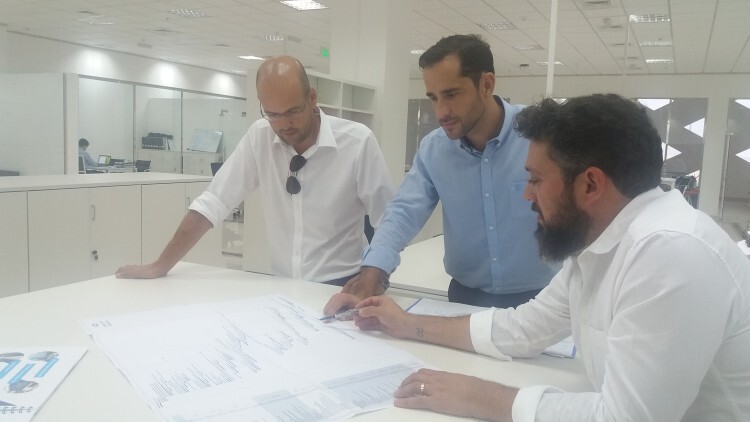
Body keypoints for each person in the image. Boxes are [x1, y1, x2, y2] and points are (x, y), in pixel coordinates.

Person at [349, 94, 750, 421]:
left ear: (590, 184)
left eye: (536, 180)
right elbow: (525, 328)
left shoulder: (670, 254)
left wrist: (477, 396)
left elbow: (625, 419)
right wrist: (407, 324)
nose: (527, 195)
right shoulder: (600, 243)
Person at [326, 34, 558, 310]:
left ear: (486, 84)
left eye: (451, 94)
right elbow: (402, 213)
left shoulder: (540, 136)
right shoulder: (434, 149)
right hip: (466, 299)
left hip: (543, 300)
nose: (441, 111)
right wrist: (370, 277)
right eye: (433, 98)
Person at [116, 56, 394, 284]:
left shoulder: (357, 141)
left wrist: (374, 278)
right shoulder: (259, 136)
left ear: (312, 98)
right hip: (284, 285)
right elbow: (214, 201)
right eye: (273, 114)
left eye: (293, 111)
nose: (284, 124)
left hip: (345, 283)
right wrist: (160, 265)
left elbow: (389, 221)